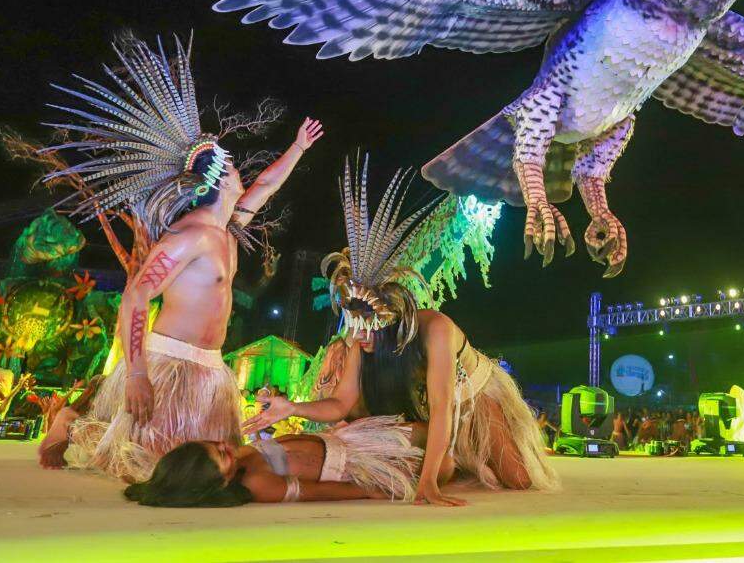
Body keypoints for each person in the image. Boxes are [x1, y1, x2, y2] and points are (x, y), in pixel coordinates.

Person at [34, 34, 324, 481]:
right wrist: (135, 375)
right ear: (215, 180)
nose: (238, 172)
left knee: (219, 468)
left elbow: (266, 186)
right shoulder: (191, 236)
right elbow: (135, 297)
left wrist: (299, 148)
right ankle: (72, 425)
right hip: (170, 363)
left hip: (210, 370)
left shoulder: (227, 232)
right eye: (230, 167)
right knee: (150, 467)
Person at [241, 157, 559, 505]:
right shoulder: (358, 338)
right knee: (446, 463)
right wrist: (291, 409)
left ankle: (464, 460)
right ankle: (453, 463)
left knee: (518, 479)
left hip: (472, 397)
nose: (359, 338)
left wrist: (428, 485)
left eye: (367, 330)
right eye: (354, 328)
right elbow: (340, 403)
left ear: (388, 319)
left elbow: (443, 410)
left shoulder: (435, 329)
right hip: (432, 406)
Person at [124, 415, 427, 506]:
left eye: (211, 444)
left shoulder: (241, 454)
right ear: (222, 481)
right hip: (357, 464)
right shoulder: (257, 484)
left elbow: (286, 446)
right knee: (445, 467)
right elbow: (314, 492)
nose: (222, 444)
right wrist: (366, 490)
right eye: (220, 455)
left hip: (351, 440)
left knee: (427, 432)